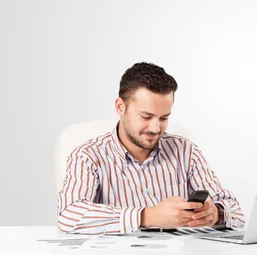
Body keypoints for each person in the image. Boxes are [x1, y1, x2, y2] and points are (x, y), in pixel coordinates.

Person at [57, 62, 245, 234]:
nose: (156, 129)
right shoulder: (87, 156)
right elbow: (68, 215)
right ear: (120, 107)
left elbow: (237, 212)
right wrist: (147, 216)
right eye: (146, 117)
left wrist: (216, 213)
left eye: (164, 118)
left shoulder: (186, 151)